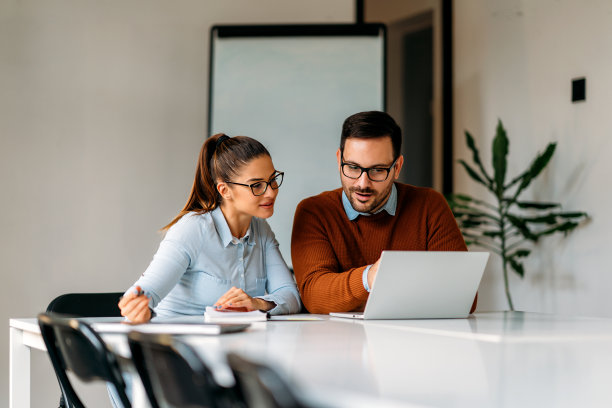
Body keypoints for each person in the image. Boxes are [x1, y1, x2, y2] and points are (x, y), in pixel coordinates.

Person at [291, 111, 473, 314]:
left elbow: (463, 296)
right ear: (338, 159)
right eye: (352, 167)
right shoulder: (314, 212)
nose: (362, 183)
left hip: (413, 342)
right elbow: (315, 297)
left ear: (397, 167)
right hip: (338, 343)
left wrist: (349, 298)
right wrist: (370, 278)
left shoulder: (429, 206)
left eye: (377, 170)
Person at [119, 133, 301, 323]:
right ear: (224, 190)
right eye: (256, 185)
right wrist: (136, 304)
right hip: (178, 346)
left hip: (233, 342)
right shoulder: (192, 229)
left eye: (273, 180)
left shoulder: (261, 230)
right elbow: (147, 290)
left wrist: (257, 304)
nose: (271, 192)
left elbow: (290, 295)